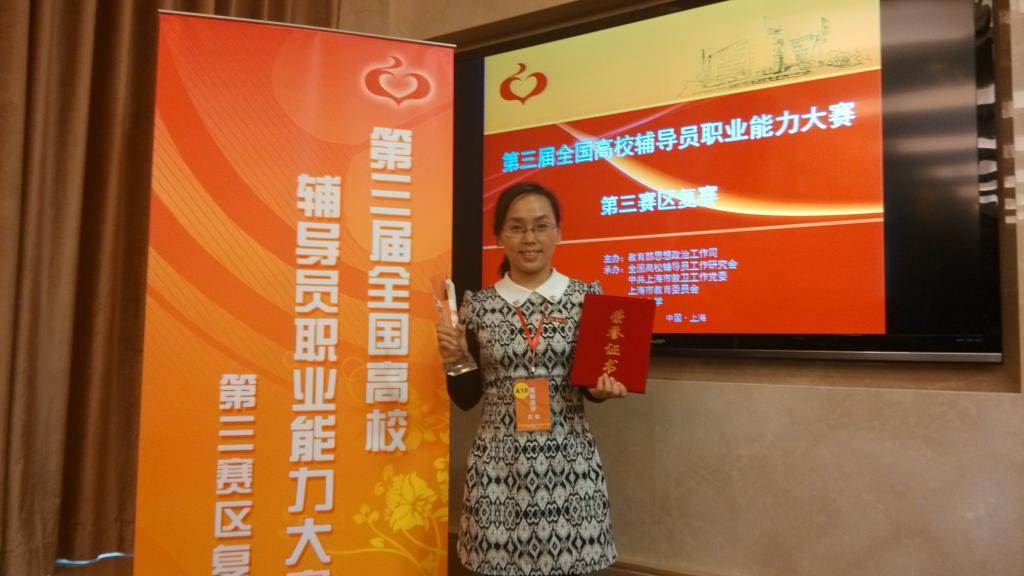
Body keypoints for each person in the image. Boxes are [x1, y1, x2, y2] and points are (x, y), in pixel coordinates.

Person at [437, 182, 628, 576]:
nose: (529, 239)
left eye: (541, 226)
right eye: (516, 227)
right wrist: (455, 359)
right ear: (499, 236)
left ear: (558, 232)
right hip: (498, 467)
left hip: (570, 465)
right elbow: (467, 398)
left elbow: (591, 384)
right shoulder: (477, 306)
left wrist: (601, 390)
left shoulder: (588, 299)